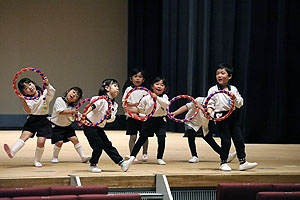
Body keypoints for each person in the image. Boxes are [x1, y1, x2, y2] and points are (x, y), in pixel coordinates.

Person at [206, 63, 257, 171]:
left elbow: (240, 103)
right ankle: (223, 162)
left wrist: (234, 98)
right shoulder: (212, 90)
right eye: (217, 73)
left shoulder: (233, 89)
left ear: (229, 76)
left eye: (222, 73)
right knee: (226, 140)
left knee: (239, 139)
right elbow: (210, 104)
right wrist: (209, 113)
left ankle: (243, 161)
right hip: (221, 117)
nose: (219, 75)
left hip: (233, 116)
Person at [4, 77, 55, 167]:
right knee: (24, 136)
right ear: (24, 92)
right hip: (32, 119)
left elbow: (51, 92)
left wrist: (47, 84)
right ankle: (13, 151)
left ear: (33, 84)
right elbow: (28, 111)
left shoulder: (44, 93)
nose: (30, 87)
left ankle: (37, 161)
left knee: (41, 141)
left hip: (43, 120)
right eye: (26, 88)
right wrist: (24, 100)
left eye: (30, 84)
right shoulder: (27, 99)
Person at [121, 76, 169, 172]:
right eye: (157, 84)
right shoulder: (146, 98)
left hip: (160, 121)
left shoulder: (164, 97)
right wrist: (129, 110)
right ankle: (132, 157)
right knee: (141, 139)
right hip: (149, 120)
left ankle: (159, 158)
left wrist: (157, 98)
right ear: (152, 86)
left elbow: (166, 104)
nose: (159, 86)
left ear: (165, 88)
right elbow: (140, 109)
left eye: (162, 85)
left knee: (162, 138)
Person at [171, 97, 237, 163]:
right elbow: (187, 107)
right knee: (190, 133)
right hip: (191, 122)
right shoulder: (199, 100)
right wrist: (175, 113)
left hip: (203, 124)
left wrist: (201, 108)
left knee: (210, 140)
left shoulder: (216, 106)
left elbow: (210, 116)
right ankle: (194, 156)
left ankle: (225, 155)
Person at [81, 79, 125, 173]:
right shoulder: (100, 99)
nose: (117, 89)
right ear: (107, 88)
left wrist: (108, 117)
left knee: (107, 144)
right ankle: (93, 165)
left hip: (99, 127)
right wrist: (84, 115)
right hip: (89, 124)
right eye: (115, 86)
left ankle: (121, 163)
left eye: (118, 87)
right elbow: (92, 106)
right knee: (98, 145)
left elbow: (112, 118)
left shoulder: (115, 105)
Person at [49, 87, 90, 164]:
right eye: (73, 92)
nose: (74, 95)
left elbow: (78, 116)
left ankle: (83, 157)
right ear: (68, 91)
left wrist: (82, 120)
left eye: (77, 96)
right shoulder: (59, 100)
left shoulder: (74, 107)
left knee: (75, 140)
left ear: (76, 100)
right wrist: (72, 112)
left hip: (67, 127)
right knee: (59, 142)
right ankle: (54, 157)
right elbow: (60, 112)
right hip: (56, 126)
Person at [122, 68, 149, 162]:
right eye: (135, 76)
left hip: (142, 116)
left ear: (143, 79)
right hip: (131, 116)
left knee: (144, 136)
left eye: (140, 77)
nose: (138, 79)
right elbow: (125, 102)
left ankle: (145, 153)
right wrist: (133, 105)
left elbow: (148, 104)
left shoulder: (146, 91)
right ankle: (133, 155)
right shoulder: (128, 90)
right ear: (131, 79)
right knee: (133, 136)